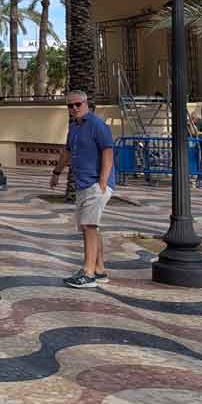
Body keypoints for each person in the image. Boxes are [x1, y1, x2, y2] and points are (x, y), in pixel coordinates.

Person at [50, 89, 115, 289]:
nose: (74, 108)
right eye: (70, 105)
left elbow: (108, 152)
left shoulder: (97, 125)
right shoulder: (74, 127)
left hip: (96, 184)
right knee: (90, 227)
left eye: (78, 104)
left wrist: (103, 183)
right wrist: (56, 173)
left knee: (88, 227)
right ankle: (100, 270)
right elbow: (67, 151)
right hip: (82, 184)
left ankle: (87, 273)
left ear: (86, 104)